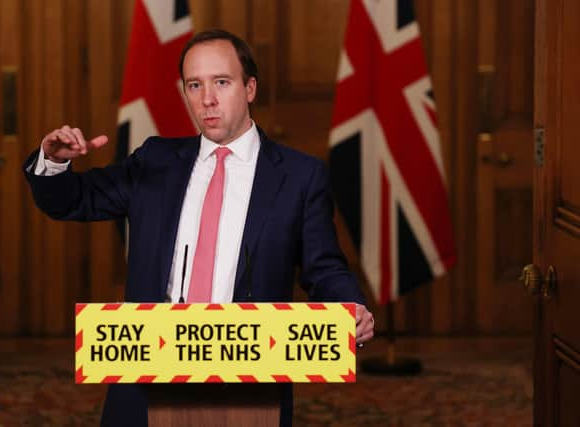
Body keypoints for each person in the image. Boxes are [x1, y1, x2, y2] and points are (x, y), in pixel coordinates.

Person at [24, 29, 374, 427]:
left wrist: (351, 307)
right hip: (148, 372)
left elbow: (323, 266)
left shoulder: (299, 175)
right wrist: (52, 163)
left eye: (221, 82)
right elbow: (71, 200)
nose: (207, 98)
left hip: (250, 379)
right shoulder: (155, 160)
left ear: (250, 88)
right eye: (195, 85)